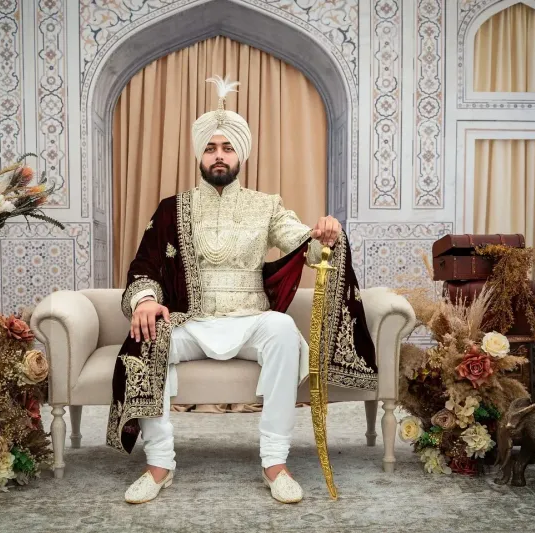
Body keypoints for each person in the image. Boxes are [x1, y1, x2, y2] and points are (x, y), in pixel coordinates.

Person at [107, 75, 378, 505]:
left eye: (227, 147)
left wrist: (324, 234)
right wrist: (144, 300)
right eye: (211, 148)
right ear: (199, 154)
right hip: (190, 321)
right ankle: (159, 463)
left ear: (241, 156)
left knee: (284, 331)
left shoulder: (265, 204)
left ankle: (275, 461)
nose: (219, 155)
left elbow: (303, 243)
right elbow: (145, 264)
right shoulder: (172, 208)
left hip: (250, 320)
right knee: (148, 339)